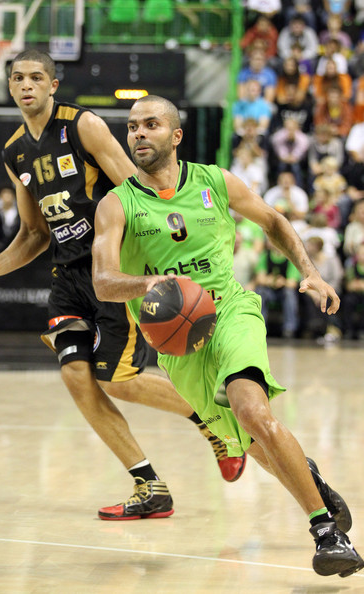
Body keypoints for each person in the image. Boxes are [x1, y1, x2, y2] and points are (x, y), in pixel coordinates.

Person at [92, 94, 364, 577]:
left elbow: (274, 220)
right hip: (176, 345)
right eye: (132, 127)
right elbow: (103, 282)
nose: (137, 133)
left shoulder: (215, 181)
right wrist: (149, 284)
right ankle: (311, 477)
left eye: (150, 124)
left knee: (251, 410)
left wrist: (310, 271)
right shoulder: (117, 205)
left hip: (230, 311)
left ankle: (326, 532)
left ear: (175, 136)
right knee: (250, 442)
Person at [0, 49, 247, 521]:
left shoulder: (82, 126)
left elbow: (137, 191)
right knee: (77, 373)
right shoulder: (14, 151)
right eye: (18, 78)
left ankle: (210, 420)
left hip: (111, 269)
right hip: (68, 277)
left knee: (119, 383)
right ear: (10, 87)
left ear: (53, 85)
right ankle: (149, 485)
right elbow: (35, 233)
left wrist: (164, 264)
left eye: (37, 76)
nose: (27, 85)